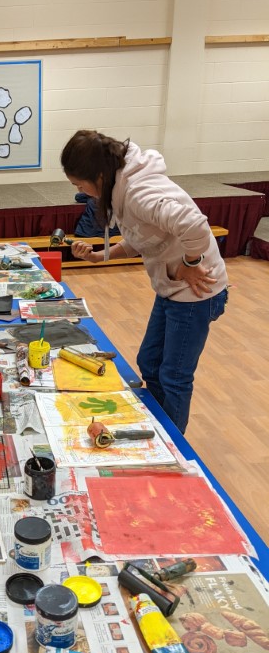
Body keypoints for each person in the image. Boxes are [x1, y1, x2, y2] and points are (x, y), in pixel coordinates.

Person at [61, 130, 228, 434]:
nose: (81, 191)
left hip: (195, 291)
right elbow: (141, 237)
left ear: (98, 175)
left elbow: (196, 227)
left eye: (79, 184)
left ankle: (172, 443)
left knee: (174, 376)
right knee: (149, 362)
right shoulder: (120, 185)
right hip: (172, 285)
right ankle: (161, 426)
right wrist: (101, 256)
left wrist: (190, 264)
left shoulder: (140, 193)